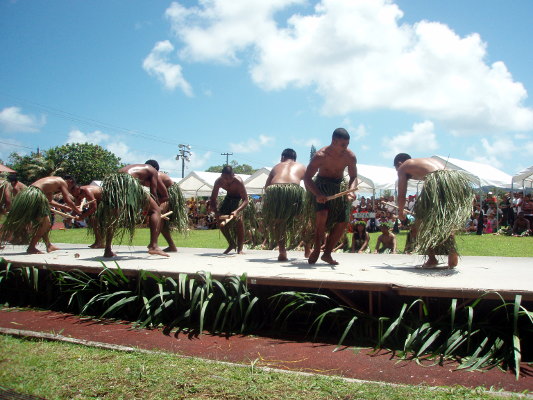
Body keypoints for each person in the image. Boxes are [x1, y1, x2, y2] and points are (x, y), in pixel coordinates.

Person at [394, 154, 473, 268]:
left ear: (399, 163)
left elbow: (401, 195)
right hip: (452, 180)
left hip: (437, 181)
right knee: (445, 222)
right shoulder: (424, 161)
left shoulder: (403, 167)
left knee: (420, 224)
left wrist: (401, 212)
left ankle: (432, 259)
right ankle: (451, 255)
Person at [304, 128, 357, 265]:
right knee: (322, 214)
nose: (346, 148)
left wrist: (351, 191)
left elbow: (353, 177)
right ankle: (316, 248)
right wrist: (318, 194)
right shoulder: (320, 156)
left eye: (347, 144)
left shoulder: (349, 156)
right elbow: (307, 178)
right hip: (321, 186)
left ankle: (327, 254)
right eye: (343, 145)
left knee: (343, 221)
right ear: (334, 141)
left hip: (339, 186)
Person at [97, 161, 169, 258]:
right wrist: (153, 208)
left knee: (113, 216)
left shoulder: (137, 168)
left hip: (113, 183)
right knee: (156, 210)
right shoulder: (153, 171)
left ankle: (107, 250)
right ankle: (154, 245)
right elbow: (153, 193)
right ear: (156, 168)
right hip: (127, 182)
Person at [0, 175, 82, 254]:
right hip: (35, 195)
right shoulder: (62, 182)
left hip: (29, 195)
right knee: (46, 223)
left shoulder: (51, 183)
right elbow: (67, 199)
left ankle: (48, 245)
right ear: (70, 181)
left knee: (44, 223)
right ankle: (32, 247)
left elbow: (49, 200)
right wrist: (77, 209)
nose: (68, 188)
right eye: (70, 187)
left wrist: (63, 207)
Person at [262, 148, 306, 261]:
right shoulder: (301, 166)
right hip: (293, 189)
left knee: (279, 221)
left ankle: (282, 251)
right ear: (295, 159)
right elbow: (309, 183)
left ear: (282, 157)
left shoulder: (276, 166)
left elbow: (267, 187)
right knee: (303, 219)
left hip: (275, 189)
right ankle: (307, 248)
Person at [209, 165, 249, 255]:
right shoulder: (219, 181)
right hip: (228, 198)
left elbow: (246, 200)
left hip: (239, 199)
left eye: (229, 178)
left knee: (239, 221)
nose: (226, 180)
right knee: (220, 222)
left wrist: (236, 211)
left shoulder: (238, 181)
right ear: (221, 176)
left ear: (233, 175)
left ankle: (240, 248)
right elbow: (213, 199)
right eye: (224, 178)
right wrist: (216, 212)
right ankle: (231, 243)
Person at [157, 170, 188, 252]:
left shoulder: (157, 175)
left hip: (170, 194)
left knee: (159, 215)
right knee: (162, 222)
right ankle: (172, 246)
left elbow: (166, 196)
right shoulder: (152, 177)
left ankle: (154, 243)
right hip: (163, 195)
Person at [70, 183, 103, 248]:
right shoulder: (77, 194)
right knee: (92, 219)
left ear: (78, 189)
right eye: (71, 193)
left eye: (73, 192)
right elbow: (77, 208)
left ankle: (100, 242)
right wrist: (69, 217)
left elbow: (94, 207)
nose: (73, 195)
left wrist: (82, 217)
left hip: (104, 200)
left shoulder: (87, 191)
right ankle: (98, 241)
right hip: (97, 202)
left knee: (94, 219)